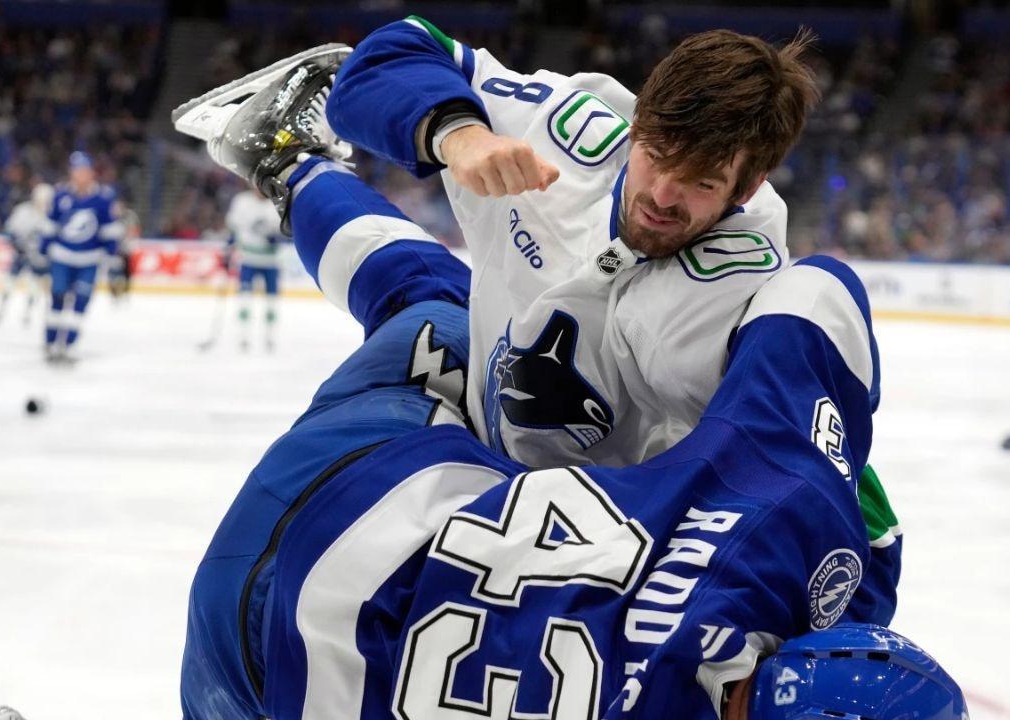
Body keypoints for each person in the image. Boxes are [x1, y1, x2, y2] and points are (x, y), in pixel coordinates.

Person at [173, 145, 914, 720]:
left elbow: (814, 298)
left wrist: (846, 480)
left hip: (334, 539)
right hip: (261, 698)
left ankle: (289, 164)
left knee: (439, 311)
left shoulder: (785, 533)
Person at [175, 19, 819, 470]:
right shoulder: (569, 131)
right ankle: (286, 159)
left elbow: (820, 458)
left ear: (747, 187)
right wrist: (458, 134)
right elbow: (392, 53)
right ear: (639, 120)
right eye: (656, 156)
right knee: (425, 305)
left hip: (608, 536)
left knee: (426, 303)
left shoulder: (751, 290)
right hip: (489, 408)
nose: (662, 196)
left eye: (701, 184)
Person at [39, 152, 122, 363]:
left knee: (81, 301)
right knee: (57, 296)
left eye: (84, 170)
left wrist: (112, 254)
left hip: (89, 259)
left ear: (91, 172)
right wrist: (43, 249)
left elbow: (109, 229)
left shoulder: (103, 198)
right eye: (77, 170)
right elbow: (50, 225)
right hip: (62, 256)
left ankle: (69, 344)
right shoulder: (60, 195)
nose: (80, 175)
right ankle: (50, 341)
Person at [225, 186, 286, 352]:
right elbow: (234, 227)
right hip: (248, 258)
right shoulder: (242, 202)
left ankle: (269, 337)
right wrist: (229, 246)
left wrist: (277, 237)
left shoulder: (277, 204)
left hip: (271, 260)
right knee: (244, 298)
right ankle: (243, 337)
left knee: (271, 301)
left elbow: (286, 230)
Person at [0, 183, 53, 326]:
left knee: (35, 286)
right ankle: (1, 309)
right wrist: (17, 247)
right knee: (9, 282)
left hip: (39, 258)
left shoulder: (53, 214)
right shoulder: (23, 211)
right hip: (21, 254)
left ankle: (28, 312)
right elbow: (10, 231)